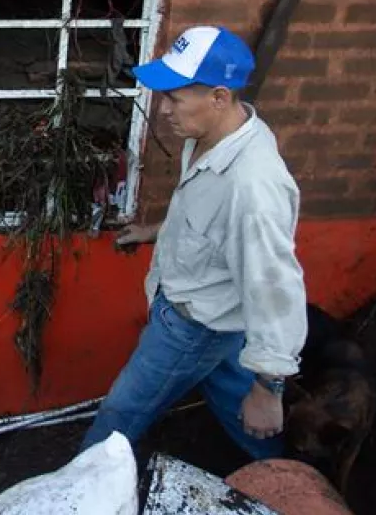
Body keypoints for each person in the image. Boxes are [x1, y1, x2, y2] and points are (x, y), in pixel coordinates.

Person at [80, 25, 307, 459]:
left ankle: (71, 495)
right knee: (244, 420)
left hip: (191, 327)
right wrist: (157, 231)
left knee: (120, 414)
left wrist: (269, 387)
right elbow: (210, 219)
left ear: (219, 97)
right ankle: (285, 479)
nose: (163, 109)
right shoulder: (214, 137)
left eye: (175, 97)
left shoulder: (253, 187)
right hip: (217, 318)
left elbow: (275, 286)